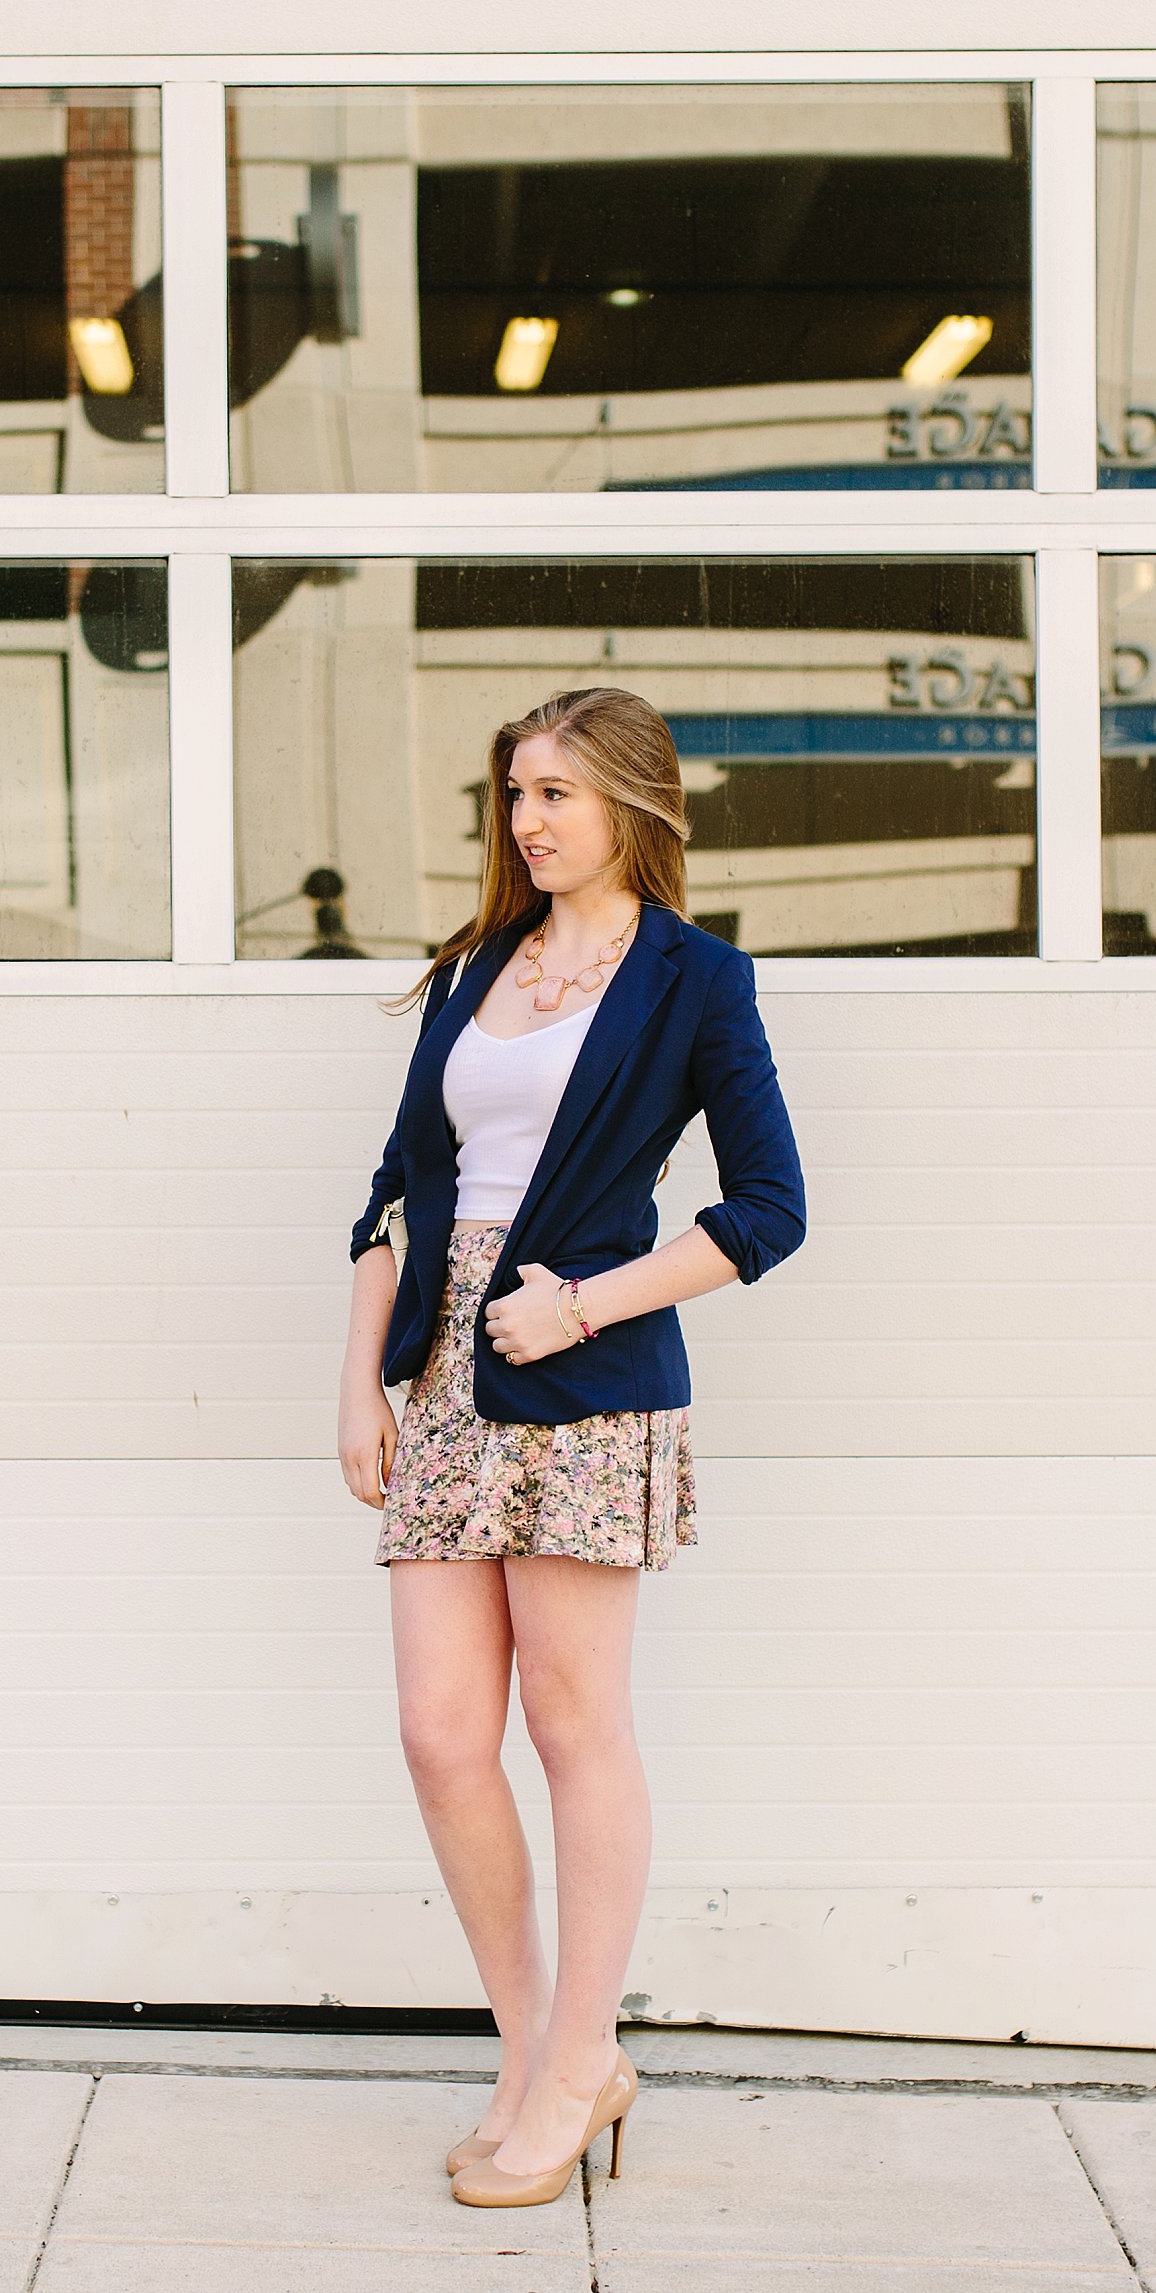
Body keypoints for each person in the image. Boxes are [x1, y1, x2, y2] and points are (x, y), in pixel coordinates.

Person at [336, 686, 808, 2207]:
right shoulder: (482, 967)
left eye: (556, 791)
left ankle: (578, 2051)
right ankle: (541, 2045)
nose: (528, 819)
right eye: (515, 792)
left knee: (573, 1728)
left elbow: (768, 1212)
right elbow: (398, 1191)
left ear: (635, 803)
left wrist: (587, 1305)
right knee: (438, 1730)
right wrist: (361, 1378)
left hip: (587, 1379)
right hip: (448, 1373)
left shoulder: (695, 980)